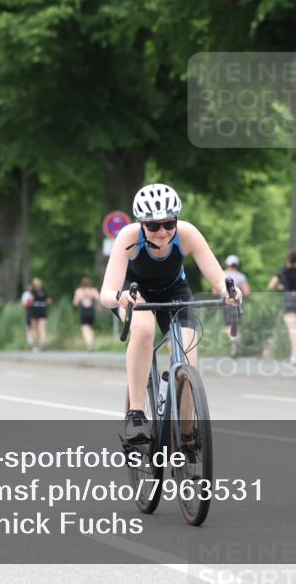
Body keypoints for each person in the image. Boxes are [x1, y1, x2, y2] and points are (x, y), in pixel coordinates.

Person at [99, 183, 241, 444]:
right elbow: (106, 292)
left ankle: (185, 432)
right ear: (141, 224)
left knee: (188, 351)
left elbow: (219, 278)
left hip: (174, 290)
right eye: (153, 226)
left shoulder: (187, 234)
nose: (162, 232)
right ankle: (137, 413)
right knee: (143, 329)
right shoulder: (128, 237)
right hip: (133, 293)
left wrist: (228, 292)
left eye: (168, 224)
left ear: (176, 220)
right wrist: (122, 298)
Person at [268, 251, 296, 368]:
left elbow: (271, 285)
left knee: (293, 330)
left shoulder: (282, 272)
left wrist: (281, 287)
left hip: (289, 301)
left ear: (288, 260)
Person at [222, 255, 251, 358]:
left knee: (228, 325)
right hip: (238, 302)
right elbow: (247, 292)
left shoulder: (222, 274)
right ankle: (236, 341)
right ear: (237, 265)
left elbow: (215, 290)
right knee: (236, 325)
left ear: (228, 264)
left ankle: (233, 341)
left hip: (226, 302)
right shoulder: (241, 276)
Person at [72, 277, 100, 351]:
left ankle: (89, 345)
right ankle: (92, 344)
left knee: (84, 329)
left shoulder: (79, 291)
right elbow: (99, 298)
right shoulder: (93, 290)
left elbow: (75, 303)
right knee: (91, 328)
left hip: (84, 312)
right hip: (91, 311)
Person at [29, 278, 51, 351]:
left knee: (34, 328)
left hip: (35, 310)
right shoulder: (44, 292)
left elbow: (30, 301)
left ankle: (34, 344)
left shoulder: (32, 292)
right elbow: (49, 302)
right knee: (42, 328)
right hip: (42, 310)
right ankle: (43, 343)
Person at [21, 281, 35, 349]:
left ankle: (32, 343)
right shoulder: (26, 294)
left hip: (35, 312)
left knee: (33, 328)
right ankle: (30, 343)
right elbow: (25, 304)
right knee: (29, 327)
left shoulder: (35, 293)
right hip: (29, 312)